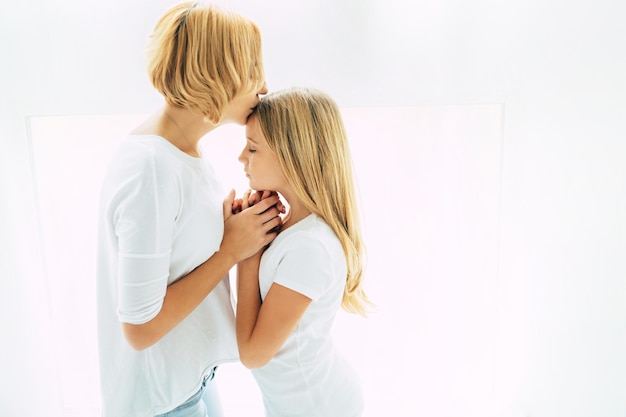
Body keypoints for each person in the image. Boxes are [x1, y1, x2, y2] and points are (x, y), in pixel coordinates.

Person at [96, 2, 282, 416]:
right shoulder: (151, 167)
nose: (265, 86)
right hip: (162, 405)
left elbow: (180, 255)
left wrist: (231, 228)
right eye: (253, 70)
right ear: (217, 73)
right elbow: (140, 329)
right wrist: (230, 251)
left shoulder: (184, 154)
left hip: (189, 385)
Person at [230, 87, 371, 417]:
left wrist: (247, 255)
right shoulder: (295, 227)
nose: (241, 157)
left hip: (317, 406)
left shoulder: (311, 248)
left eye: (252, 148)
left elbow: (253, 354)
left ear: (294, 157)